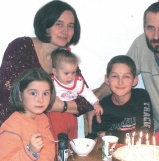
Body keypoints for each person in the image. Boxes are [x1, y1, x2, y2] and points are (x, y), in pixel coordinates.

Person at [94, 2, 159, 132]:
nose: (156, 36)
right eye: (150, 28)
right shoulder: (141, 45)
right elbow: (119, 74)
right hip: (155, 132)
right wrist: (94, 100)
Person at [0, 0, 95, 140]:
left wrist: (60, 106)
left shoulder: (64, 58)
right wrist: (55, 105)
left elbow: (85, 101)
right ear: (45, 25)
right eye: (59, 24)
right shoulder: (21, 47)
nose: (65, 31)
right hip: (17, 134)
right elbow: (8, 99)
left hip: (52, 136)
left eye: (70, 26)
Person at [86, 55, 154, 144]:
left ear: (134, 80)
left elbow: (146, 133)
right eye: (115, 76)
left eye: (126, 77)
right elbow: (94, 137)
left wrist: (108, 134)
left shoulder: (141, 96)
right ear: (107, 79)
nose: (120, 82)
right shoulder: (102, 107)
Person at [0, 68, 55, 160]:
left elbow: (49, 149)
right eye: (33, 93)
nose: (40, 100)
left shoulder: (42, 118)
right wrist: (30, 152)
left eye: (45, 93)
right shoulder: (11, 127)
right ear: (20, 96)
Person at [51, 48, 103, 120]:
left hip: (71, 115)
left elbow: (87, 93)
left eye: (73, 72)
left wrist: (96, 103)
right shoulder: (51, 83)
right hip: (53, 115)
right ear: (55, 72)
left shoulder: (77, 83)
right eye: (66, 73)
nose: (71, 77)